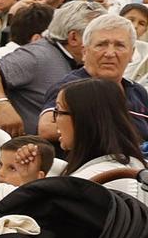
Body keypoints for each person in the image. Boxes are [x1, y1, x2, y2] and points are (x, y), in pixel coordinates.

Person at [36, 12, 148, 145]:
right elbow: (47, 128)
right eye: (101, 45)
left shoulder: (137, 92)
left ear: (132, 54)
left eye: (119, 45)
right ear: (84, 52)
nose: (110, 53)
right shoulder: (72, 87)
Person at [0, 0, 97, 136]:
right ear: (73, 38)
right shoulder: (39, 55)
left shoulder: (82, 61)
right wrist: (1, 105)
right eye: (97, 37)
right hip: (27, 147)